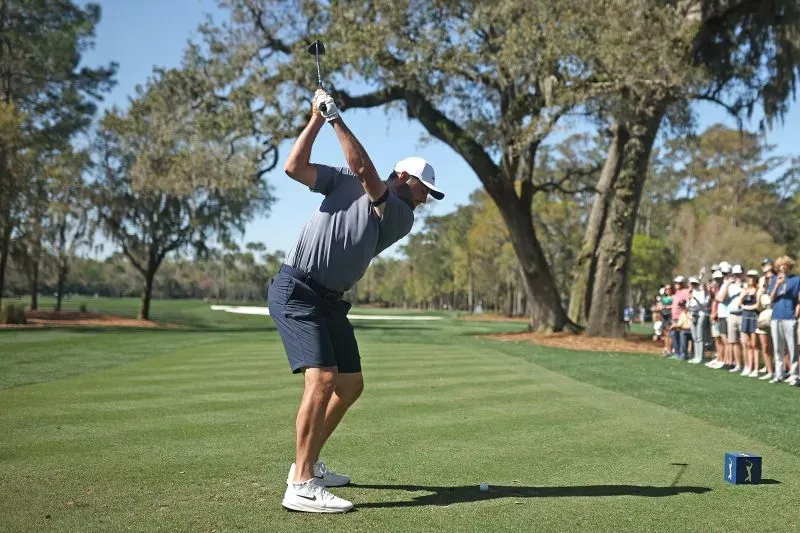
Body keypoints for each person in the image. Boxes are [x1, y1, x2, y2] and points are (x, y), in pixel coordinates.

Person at [270, 89, 445, 512]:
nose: (427, 199)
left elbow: (365, 170)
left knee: (350, 384)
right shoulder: (346, 181)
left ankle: (305, 465)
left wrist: (337, 120)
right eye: (425, 189)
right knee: (324, 380)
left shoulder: (399, 216)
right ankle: (301, 484)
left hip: (328, 302)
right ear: (404, 177)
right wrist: (317, 118)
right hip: (297, 289)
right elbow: (295, 168)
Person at [767, 256, 800, 385]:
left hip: (789, 316)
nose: (782, 267)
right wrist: (776, 285)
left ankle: (794, 375)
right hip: (776, 316)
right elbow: (771, 298)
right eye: (780, 265)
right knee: (778, 348)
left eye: (785, 265)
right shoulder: (775, 279)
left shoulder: (796, 280)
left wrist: (796, 313)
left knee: (792, 347)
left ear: (789, 266)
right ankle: (778, 374)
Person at [737, 270, 760, 377]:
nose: (750, 278)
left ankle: (755, 368)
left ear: (756, 278)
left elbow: (758, 305)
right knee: (746, 343)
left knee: (754, 344)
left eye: (752, 277)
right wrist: (743, 295)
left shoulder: (758, 290)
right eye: (749, 277)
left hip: (753, 317)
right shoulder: (745, 290)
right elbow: (738, 303)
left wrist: (747, 307)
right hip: (745, 316)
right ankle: (748, 366)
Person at [756, 259, 775, 380]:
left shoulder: (777, 280)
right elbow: (758, 305)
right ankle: (769, 371)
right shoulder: (761, 285)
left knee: (779, 347)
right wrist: (761, 293)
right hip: (763, 314)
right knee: (765, 346)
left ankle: (782, 370)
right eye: (764, 266)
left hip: (775, 312)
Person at [687, 276, 710, 364]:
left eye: (694, 283)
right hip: (692, 314)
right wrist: (689, 299)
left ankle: (700, 356)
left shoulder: (702, 292)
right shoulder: (691, 292)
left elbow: (703, 303)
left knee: (700, 337)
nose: (693, 285)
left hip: (700, 314)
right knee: (694, 337)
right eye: (692, 283)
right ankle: (696, 356)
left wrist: (695, 298)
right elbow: (688, 305)